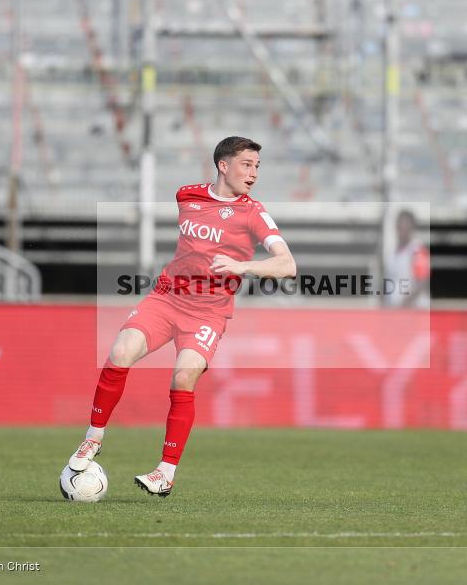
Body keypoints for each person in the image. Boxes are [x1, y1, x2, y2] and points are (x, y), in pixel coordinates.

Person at [68, 136, 296, 497]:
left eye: (256, 167)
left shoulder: (253, 212)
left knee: (182, 378)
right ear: (223, 165)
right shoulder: (186, 196)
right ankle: (93, 439)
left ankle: (165, 472)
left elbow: (287, 265)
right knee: (120, 352)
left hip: (208, 313)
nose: (253, 174)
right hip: (167, 298)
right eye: (246, 165)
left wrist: (242, 265)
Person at [385, 209, 430, 308]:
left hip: (414, 309)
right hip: (395, 309)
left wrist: (404, 304)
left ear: (412, 227)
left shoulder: (417, 250)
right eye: (400, 224)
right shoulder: (391, 251)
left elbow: (422, 282)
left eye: (406, 224)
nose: (403, 228)